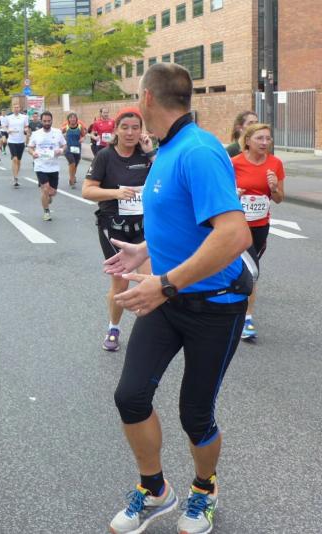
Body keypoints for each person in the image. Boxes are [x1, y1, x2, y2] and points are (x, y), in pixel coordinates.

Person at [104, 64, 253, 534]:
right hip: (168, 300)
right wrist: (145, 251)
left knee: (195, 413)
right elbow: (187, 219)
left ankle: (204, 490)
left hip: (214, 306)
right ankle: (154, 490)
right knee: (130, 396)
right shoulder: (167, 149)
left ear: (148, 97)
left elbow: (235, 234)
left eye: (137, 96)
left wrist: (165, 283)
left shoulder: (198, 150)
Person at [82, 107, 155, 351]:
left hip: (143, 226)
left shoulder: (145, 155)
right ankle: (114, 327)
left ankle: (147, 334)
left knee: (148, 280)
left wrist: (151, 153)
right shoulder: (105, 156)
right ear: (115, 130)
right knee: (121, 283)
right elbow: (87, 190)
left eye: (135, 128)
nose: (130, 133)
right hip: (113, 227)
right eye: (125, 127)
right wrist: (116, 193)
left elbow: (167, 178)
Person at [232, 123, 285, 341]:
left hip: (261, 227)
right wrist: (234, 195)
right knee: (251, 271)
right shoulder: (235, 163)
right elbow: (222, 193)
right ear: (247, 141)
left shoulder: (275, 163)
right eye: (259, 138)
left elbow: (279, 198)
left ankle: (235, 306)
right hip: (238, 226)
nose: (264, 143)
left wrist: (274, 188)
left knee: (246, 271)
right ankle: (246, 318)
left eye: (268, 139)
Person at [27, 111, 66, 221]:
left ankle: (48, 197)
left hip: (53, 166)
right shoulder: (36, 134)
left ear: (52, 121)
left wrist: (61, 150)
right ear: (41, 121)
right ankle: (46, 212)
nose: (47, 123)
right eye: (44, 121)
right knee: (45, 189)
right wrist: (33, 153)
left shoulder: (57, 132)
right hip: (40, 166)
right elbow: (30, 147)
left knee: (52, 192)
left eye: (49, 121)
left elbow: (64, 145)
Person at [6, 103, 29, 188]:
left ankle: (15, 175)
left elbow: (26, 126)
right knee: (15, 159)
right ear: (12, 109)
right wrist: (8, 130)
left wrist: (26, 130)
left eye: (17, 107)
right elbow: (5, 127)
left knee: (18, 160)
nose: (16, 109)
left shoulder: (24, 117)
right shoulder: (8, 117)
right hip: (12, 141)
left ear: (19, 108)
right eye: (15, 107)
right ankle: (15, 178)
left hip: (21, 141)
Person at [62, 112, 87, 189]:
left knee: (75, 165)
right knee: (72, 163)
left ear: (76, 119)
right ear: (68, 119)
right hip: (68, 148)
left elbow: (84, 135)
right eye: (71, 118)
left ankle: (73, 176)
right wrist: (63, 139)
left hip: (77, 148)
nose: (72, 119)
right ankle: (72, 180)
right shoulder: (66, 127)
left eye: (74, 118)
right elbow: (59, 134)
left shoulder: (79, 127)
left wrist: (82, 139)